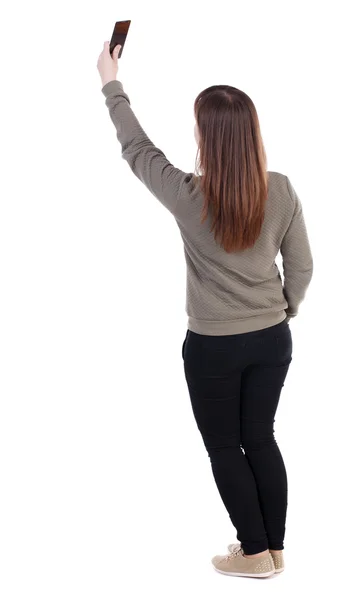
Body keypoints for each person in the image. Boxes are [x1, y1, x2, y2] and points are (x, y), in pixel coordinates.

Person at [97, 42, 313, 579]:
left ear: (205, 139)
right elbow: (302, 268)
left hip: (213, 347)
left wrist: (111, 82)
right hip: (272, 340)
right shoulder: (281, 189)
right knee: (259, 437)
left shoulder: (187, 195)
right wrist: (283, 311)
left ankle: (254, 552)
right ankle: (275, 549)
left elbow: (137, 148)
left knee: (224, 446)